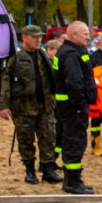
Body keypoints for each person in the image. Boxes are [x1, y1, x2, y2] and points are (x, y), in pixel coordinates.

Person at [0, 24, 62, 185]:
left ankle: (47, 170)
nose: (38, 40)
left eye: (39, 37)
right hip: (23, 107)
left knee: (48, 138)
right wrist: (3, 106)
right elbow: (5, 82)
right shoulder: (15, 56)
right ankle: (30, 171)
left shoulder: (43, 55)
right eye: (34, 37)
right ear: (24, 38)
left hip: (45, 106)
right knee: (26, 141)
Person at [52, 21, 97, 194]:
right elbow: (74, 81)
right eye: (85, 34)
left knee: (74, 141)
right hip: (73, 107)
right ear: (74, 35)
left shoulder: (77, 50)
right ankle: (71, 182)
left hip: (72, 106)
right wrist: (79, 104)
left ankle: (74, 179)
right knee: (74, 142)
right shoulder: (70, 53)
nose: (88, 37)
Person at [44, 38, 64, 166]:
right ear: (49, 50)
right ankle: (48, 160)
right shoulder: (47, 63)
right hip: (50, 103)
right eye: (57, 50)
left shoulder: (57, 62)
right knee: (52, 132)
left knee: (60, 132)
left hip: (58, 103)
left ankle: (54, 158)